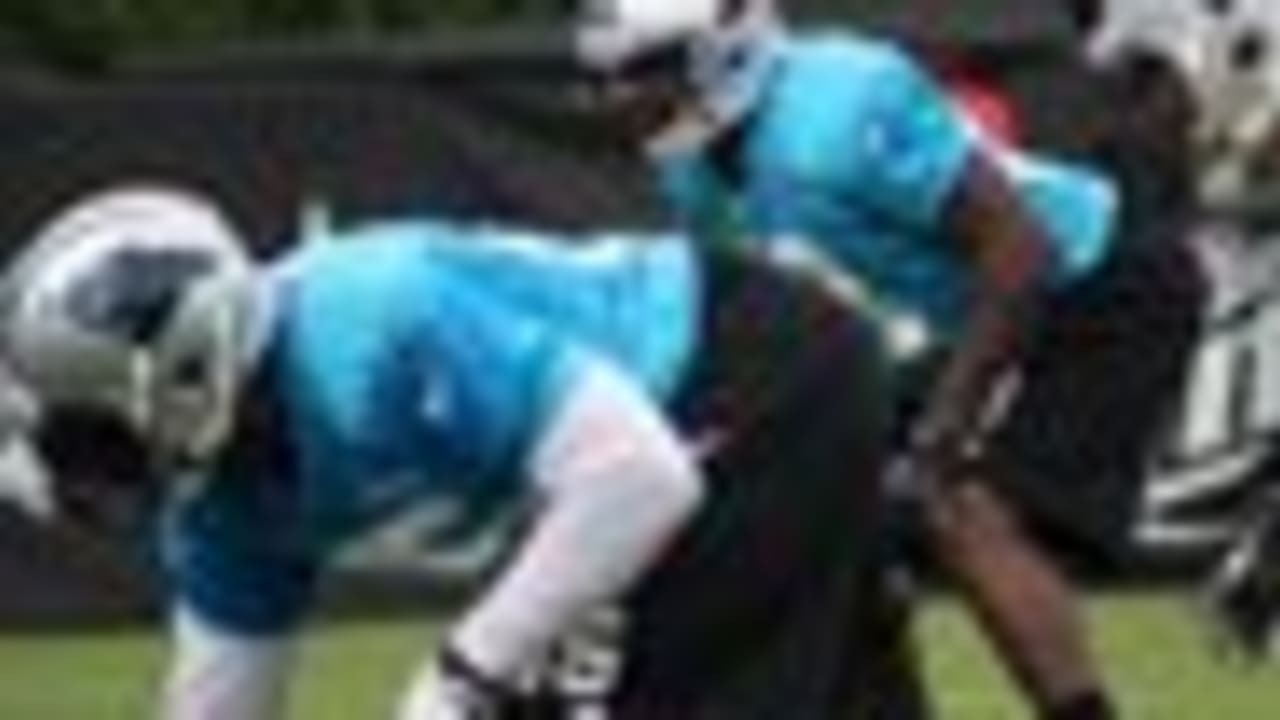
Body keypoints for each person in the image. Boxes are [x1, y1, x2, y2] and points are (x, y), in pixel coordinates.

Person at [0, 185, 895, 719]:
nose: (87, 472)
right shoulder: (220, 502)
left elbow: (638, 479)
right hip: (685, 418)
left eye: (92, 435)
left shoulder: (371, 325)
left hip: (745, 369)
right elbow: (217, 704)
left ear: (189, 367)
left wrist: (461, 677)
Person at [571, 2, 1207, 718]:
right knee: (824, 522)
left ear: (721, 54)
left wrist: (941, 435)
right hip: (986, 311)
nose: (615, 98)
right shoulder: (696, 164)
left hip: (1097, 283)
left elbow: (1022, 249)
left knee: (960, 512)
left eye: (639, 73)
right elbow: (752, 317)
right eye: (605, 78)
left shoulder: (837, 109)